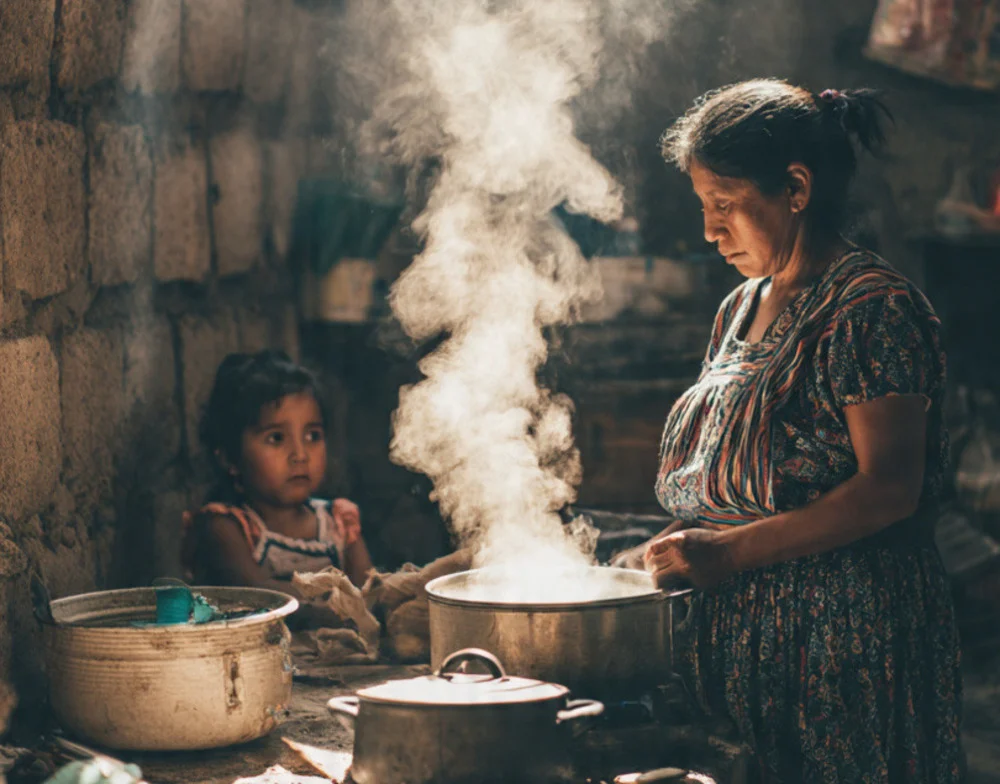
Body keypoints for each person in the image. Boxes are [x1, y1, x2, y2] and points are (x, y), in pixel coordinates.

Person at [615, 80, 963, 782]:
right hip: (738, 653)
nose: (710, 231)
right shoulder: (740, 307)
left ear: (796, 188)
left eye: (724, 205)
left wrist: (730, 553)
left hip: (845, 650)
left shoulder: (871, 308)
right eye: (703, 207)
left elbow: (889, 488)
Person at [181, 350, 373, 598]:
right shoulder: (225, 527)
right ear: (230, 458)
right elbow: (263, 596)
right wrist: (340, 607)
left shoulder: (339, 522)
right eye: (277, 438)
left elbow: (370, 593)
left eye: (312, 436)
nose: (300, 454)